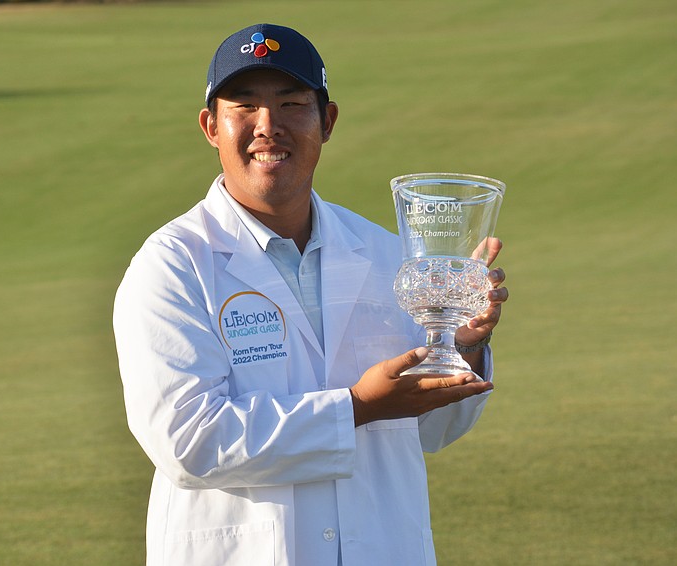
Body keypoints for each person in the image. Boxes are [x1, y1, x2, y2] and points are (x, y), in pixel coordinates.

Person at [113, 23, 508, 566]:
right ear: (211, 126)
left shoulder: (387, 254)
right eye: (244, 106)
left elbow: (433, 431)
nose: (268, 126)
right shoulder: (172, 265)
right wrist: (356, 408)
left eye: (293, 103)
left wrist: (457, 346)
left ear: (328, 121)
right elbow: (189, 441)